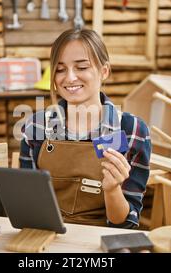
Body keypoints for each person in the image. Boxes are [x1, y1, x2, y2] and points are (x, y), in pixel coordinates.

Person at [19, 28, 151, 228]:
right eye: (60, 69)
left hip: (101, 238)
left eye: (81, 67)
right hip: (46, 234)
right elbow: (27, 204)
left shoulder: (131, 130)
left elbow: (125, 223)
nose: (70, 78)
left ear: (104, 71)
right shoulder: (36, 126)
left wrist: (112, 189)